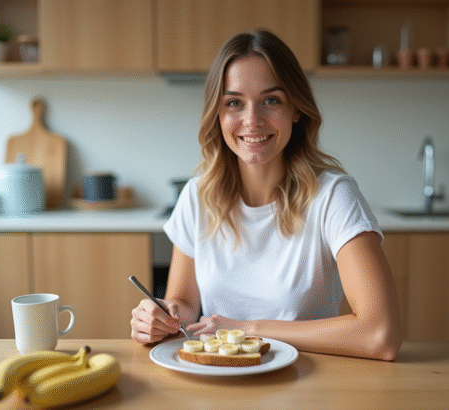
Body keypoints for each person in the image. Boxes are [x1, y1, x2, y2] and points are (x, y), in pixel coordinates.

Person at [131, 29, 401, 361]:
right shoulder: (196, 197)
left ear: (296, 109)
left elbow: (380, 334)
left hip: (309, 382)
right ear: (217, 114)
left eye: (271, 100)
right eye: (234, 103)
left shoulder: (334, 197)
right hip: (220, 382)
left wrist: (248, 329)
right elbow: (184, 306)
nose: (252, 120)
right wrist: (161, 317)